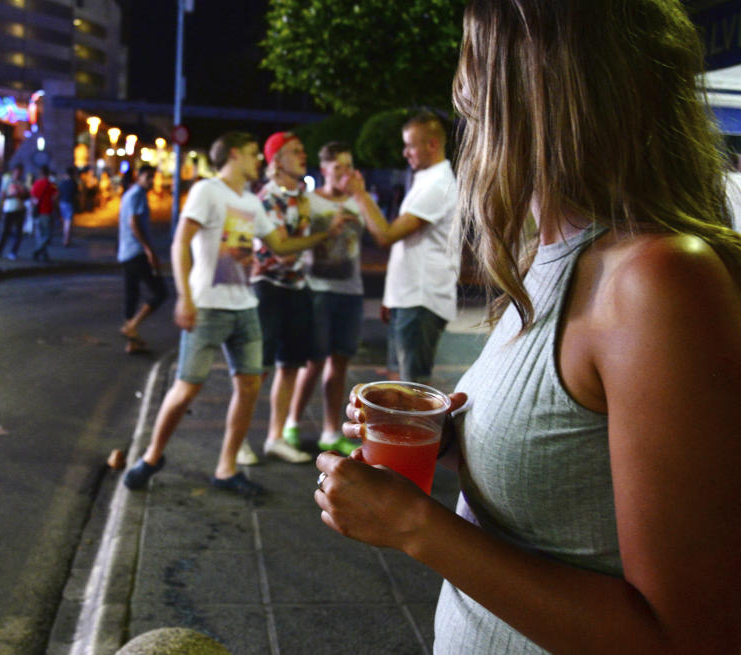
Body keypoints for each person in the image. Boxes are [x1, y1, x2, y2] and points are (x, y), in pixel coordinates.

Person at [316, 1, 741, 653]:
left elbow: (685, 637)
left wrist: (412, 525)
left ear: (529, 100)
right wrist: (448, 439)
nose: (468, 124)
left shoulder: (654, 278)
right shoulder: (548, 261)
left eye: (475, 95)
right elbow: (576, 466)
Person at [122, 131, 348, 497]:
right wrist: (184, 297)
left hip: (245, 308)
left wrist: (321, 237)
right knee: (186, 388)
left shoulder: (250, 201)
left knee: (249, 387)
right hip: (208, 306)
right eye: (251, 154)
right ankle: (151, 456)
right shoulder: (207, 191)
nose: (258, 159)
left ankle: (226, 468)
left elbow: (280, 245)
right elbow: (180, 242)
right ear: (231, 155)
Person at [345, 111, 460, 384]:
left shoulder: (438, 185)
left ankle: (414, 428)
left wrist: (359, 194)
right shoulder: (426, 180)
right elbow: (408, 249)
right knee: (399, 382)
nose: (405, 152)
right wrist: (391, 297)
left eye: (410, 145)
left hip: (422, 299)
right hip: (408, 297)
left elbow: (387, 236)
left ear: (432, 144)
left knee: (412, 387)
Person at [283, 141, 367, 457]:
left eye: (348, 166)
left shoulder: (358, 201)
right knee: (314, 361)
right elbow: (294, 238)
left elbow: (378, 232)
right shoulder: (311, 202)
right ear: (325, 170)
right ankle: (292, 422)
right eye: (338, 168)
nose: (344, 173)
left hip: (351, 290)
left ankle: (330, 432)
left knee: (340, 362)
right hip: (317, 289)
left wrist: (360, 195)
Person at [246, 131, 317, 464]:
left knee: (289, 366)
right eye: (295, 151)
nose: (303, 156)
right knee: (257, 368)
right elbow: (284, 253)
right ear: (276, 160)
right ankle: (239, 440)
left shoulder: (301, 195)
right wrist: (319, 235)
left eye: (302, 150)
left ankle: (275, 437)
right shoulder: (268, 198)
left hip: (297, 288)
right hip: (269, 288)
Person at [117, 164, 167, 354]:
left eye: (153, 177)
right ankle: (132, 326)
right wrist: (149, 249)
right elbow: (134, 222)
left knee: (132, 294)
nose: (151, 181)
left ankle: (132, 341)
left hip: (125, 252)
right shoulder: (137, 195)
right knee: (160, 292)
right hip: (137, 251)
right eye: (148, 177)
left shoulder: (129, 194)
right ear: (139, 176)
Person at [0, 164, 28, 260]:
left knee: (18, 232)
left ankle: (13, 252)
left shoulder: (22, 183)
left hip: (20, 209)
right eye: (17, 172)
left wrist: (22, 195)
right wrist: (11, 195)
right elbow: (2, 194)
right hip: (9, 209)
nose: (18, 174)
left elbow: (26, 195)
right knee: (5, 231)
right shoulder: (8, 181)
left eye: (20, 172)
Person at [29, 166, 57, 262]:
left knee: (40, 235)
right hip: (47, 212)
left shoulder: (36, 184)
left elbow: (32, 197)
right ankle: (38, 251)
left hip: (37, 212)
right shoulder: (51, 184)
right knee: (48, 235)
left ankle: (43, 255)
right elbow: (56, 196)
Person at [58, 166, 78, 247]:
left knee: (65, 221)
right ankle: (66, 240)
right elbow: (77, 194)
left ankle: (65, 238)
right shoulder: (74, 183)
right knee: (68, 222)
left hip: (62, 203)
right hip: (70, 203)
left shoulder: (62, 182)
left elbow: (59, 193)